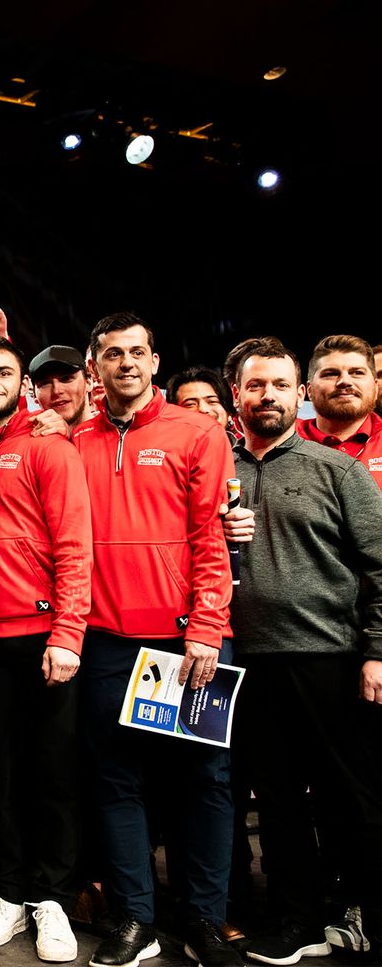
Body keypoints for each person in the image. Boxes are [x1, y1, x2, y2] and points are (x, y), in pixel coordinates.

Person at [72, 312, 239, 967]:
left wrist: (205, 627)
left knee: (204, 781)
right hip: (108, 642)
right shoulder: (74, 442)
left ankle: (204, 919)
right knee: (116, 782)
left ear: (155, 359)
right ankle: (135, 921)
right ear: (95, 367)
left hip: (186, 642)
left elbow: (210, 539)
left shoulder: (195, 433)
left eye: (137, 352)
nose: (127, 364)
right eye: (112, 354)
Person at [220, 338, 382, 966]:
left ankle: (367, 913)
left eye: (280, 386)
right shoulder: (215, 466)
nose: (268, 397)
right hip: (246, 658)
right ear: (238, 393)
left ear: (299, 394)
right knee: (279, 800)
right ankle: (299, 921)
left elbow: (379, 565)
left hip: (330, 656)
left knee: (354, 799)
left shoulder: (335, 469)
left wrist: (376, 650)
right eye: (256, 386)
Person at [0, 337, 92, 963]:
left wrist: (68, 632)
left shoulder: (46, 445)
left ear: (23, 381)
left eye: (3, 372)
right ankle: (10, 894)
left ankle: (54, 901)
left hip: (44, 639)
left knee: (54, 779)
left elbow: (73, 544)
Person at [296, 334, 382, 489]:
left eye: (357, 373)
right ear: (309, 390)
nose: (345, 381)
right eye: (331, 373)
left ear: (375, 387)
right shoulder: (281, 443)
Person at [29, 346, 97, 430]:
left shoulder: (115, 433)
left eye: (66, 379)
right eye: (45, 383)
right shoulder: (27, 440)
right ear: (34, 396)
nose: (57, 391)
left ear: (88, 382)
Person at [167, 365, 233, 435]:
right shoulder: (161, 445)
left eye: (212, 401)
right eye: (190, 404)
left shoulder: (243, 445)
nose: (203, 409)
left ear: (229, 413)